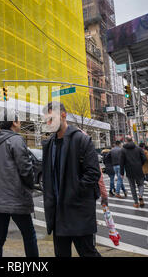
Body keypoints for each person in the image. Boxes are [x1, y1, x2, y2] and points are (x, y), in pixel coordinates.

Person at [41, 102, 101, 257]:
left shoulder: (81, 140)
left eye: (52, 118)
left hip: (78, 210)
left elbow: (93, 173)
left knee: (88, 253)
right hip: (57, 213)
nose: (49, 123)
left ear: (63, 115)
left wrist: (74, 191)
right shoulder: (49, 144)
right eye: (47, 120)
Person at [0, 115, 39, 257]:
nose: (20, 123)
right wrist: (30, 185)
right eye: (19, 120)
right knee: (29, 235)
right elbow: (26, 169)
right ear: (13, 123)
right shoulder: (16, 140)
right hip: (15, 198)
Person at [120, 136, 147, 208]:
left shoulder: (123, 150)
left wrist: (122, 173)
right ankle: (140, 195)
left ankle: (136, 203)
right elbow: (144, 158)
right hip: (138, 169)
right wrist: (140, 164)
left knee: (132, 187)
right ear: (132, 140)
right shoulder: (138, 148)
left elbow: (121, 162)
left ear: (126, 140)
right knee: (141, 184)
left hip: (129, 170)